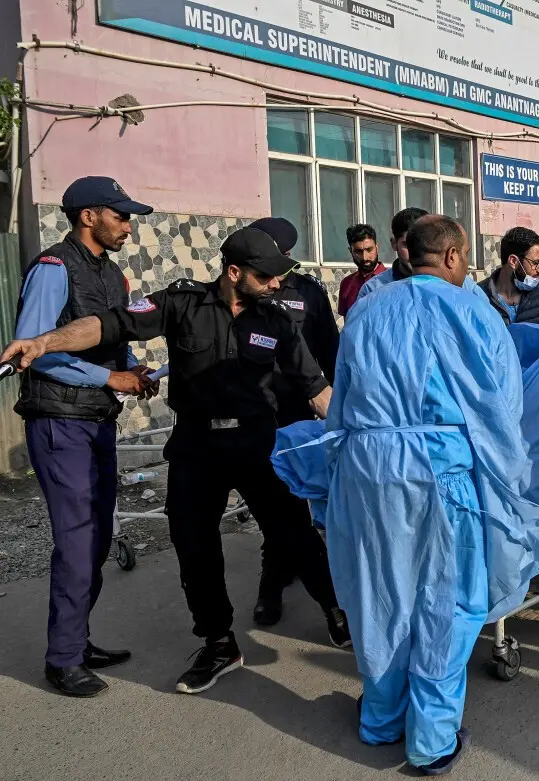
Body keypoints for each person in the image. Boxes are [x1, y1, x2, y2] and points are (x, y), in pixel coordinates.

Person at [1, 227, 352, 694]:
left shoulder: (278, 321)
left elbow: (318, 391)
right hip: (195, 451)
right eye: (265, 276)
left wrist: (362, 436)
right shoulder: (181, 302)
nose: (275, 284)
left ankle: (336, 611)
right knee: (195, 549)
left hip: (256, 447)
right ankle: (219, 642)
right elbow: (107, 324)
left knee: (295, 537)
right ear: (233, 272)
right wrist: (44, 342)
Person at [320, 214, 539, 773]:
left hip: (369, 468)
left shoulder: (365, 309)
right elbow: (502, 408)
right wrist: (508, 479)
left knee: (380, 590)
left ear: (408, 255)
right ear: (456, 257)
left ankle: (381, 717)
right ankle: (431, 739)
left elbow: (342, 401)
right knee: (447, 599)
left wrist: (336, 475)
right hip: (441, 472)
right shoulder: (473, 312)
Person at [12, 176, 155, 698]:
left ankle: (77, 639)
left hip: (95, 420)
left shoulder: (112, 276)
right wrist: (107, 378)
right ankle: (63, 659)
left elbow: (113, 337)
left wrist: (133, 369)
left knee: (95, 540)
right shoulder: (54, 267)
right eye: (120, 215)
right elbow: (36, 348)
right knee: (76, 542)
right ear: (89, 216)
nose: (128, 224)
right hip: (58, 421)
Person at [249, 216, 340, 626]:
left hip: (301, 415)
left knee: (308, 503)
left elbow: (330, 352)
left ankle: (322, 585)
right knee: (279, 508)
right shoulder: (248, 292)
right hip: (258, 415)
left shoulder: (307, 292)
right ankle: (273, 586)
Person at [355, 207, 428, 303]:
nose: (415, 252)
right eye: (407, 245)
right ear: (394, 244)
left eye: (421, 244)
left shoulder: (445, 286)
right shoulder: (373, 290)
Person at [337, 223, 385, 315]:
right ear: (351, 251)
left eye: (369, 249)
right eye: (358, 251)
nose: (365, 257)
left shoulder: (393, 279)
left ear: (377, 248)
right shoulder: (346, 284)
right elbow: (348, 322)